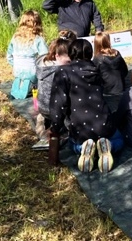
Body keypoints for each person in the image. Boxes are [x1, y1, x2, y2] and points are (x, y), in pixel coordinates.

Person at [49, 39, 122, 173]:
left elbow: (58, 103)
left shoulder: (63, 72)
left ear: (70, 54)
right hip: (103, 123)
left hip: (80, 128)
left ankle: (82, 148)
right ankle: (108, 146)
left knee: (72, 144)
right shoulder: (96, 69)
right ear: (90, 54)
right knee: (119, 140)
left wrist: (55, 127)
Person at [35, 32, 74, 139]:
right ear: (57, 56)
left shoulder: (42, 65)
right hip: (55, 110)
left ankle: (42, 119)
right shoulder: (60, 72)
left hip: (41, 106)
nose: (70, 64)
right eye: (68, 61)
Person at [7, 10, 48, 99]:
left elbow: (9, 55)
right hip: (31, 71)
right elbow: (45, 58)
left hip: (17, 70)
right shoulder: (38, 39)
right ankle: (31, 85)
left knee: (21, 75)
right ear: (38, 24)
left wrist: (14, 65)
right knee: (37, 73)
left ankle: (20, 82)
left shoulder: (15, 37)